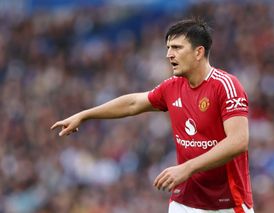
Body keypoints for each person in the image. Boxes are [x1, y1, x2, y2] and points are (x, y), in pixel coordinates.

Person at [51, 19, 254, 213]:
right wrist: (85, 115)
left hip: (229, 201)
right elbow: (133, 103)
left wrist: (187, 168)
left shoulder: (226, 86)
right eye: (168, 48)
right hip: (186, 200)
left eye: (176, 48)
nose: (169, 54)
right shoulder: (171, 87)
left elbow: (238, 141)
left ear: (198, 52)